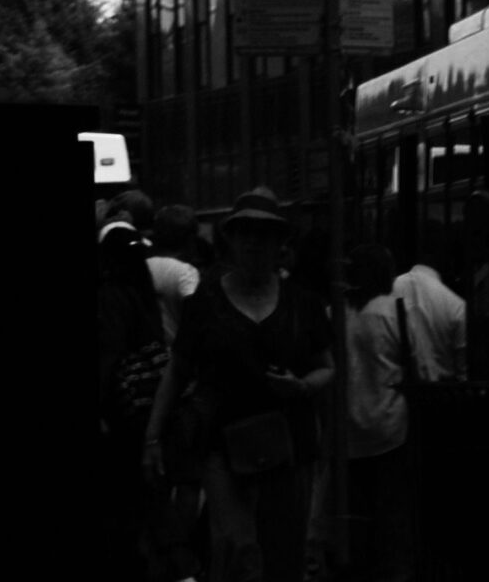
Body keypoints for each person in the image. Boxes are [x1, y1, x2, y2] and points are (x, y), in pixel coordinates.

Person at [143, 186, 333, 582]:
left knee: (285, 554)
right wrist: (153, 438)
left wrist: (302, 387)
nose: (253, 241)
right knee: (238, 550)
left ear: (280, 242)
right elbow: (178, 372)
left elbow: (327, 368)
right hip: (222, 446)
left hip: (289, 447)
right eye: (244, 232)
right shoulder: (205, 305)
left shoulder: (304, 304)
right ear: (230, 238)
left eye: (264, 234)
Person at [99, 217, 172, 575]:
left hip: (120, 411)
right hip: (149, 407)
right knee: (145, 498)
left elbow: (108, 357)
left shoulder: (110, 297)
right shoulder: (145, 292)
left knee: (120, 500)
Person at [342, 243, 413, 582]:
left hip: (349, 431)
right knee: (392, 519)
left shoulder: (339, 312)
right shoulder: (393, 310)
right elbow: (417, 364)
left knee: (357, 520)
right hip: (390, 425)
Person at [391, 232, 467, 383]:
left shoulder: (391, 288)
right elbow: (462, 368)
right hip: (442, 392)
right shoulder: (456, 304)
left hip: (396, 388)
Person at [148, 203, 203, 344]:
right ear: (190, 240)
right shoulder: (186, 273)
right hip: (176, 356)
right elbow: (195, 320)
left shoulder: (141, 267)